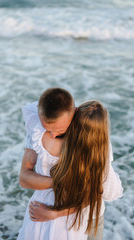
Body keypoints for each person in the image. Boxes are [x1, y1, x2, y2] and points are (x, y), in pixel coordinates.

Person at [17, 88, 123, 239]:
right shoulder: (38, 133)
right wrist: (63, 181)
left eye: (59, 129)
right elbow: (24, 178)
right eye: (48, 129)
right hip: (43, 214)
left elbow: (93, 194)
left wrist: (53, 213)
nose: (52, 135)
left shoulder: (91, 142)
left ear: (75, 113)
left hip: (84, 218)